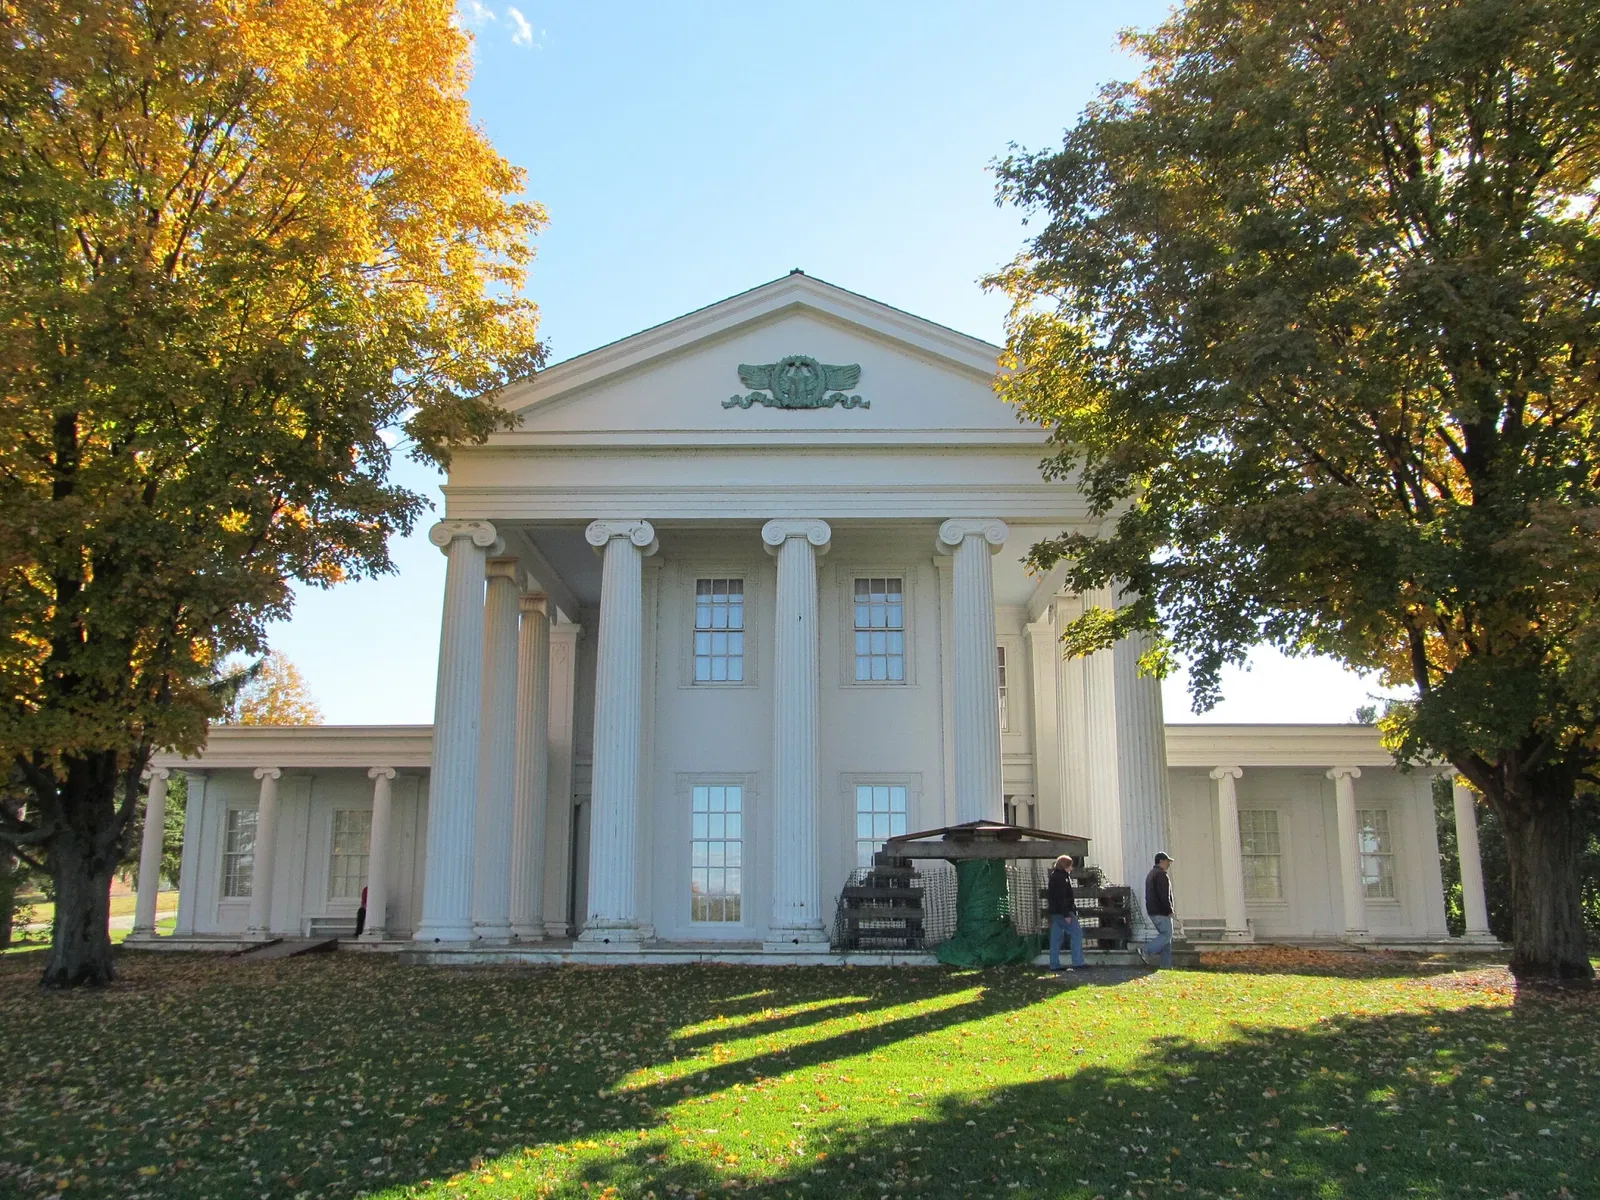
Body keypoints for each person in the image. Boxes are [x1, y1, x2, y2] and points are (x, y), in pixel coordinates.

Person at [1046, 854, 1085, 972]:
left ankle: (1054, 964)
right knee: (1077, 934)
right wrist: (1067, 914)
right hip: (1063, 912)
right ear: (1065, 866)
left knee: (1056, 938)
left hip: (1055, 912)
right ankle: (1077, 962)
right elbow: (1062, 897)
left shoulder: (1054, 876)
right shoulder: (1062, 878)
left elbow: (1055, 897)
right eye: (1070, 865)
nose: (1071, 868)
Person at [1140, 852, 1175, 968]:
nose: (1169, 863)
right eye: (1167, 861)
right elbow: (1163, 895)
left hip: (1153, 910)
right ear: (1161, 861)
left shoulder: (1151, 874)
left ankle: (1166, 966)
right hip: (1161, 911)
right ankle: (1146, 950)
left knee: (1166, 940)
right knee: (1167, 935)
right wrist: (1169, 909)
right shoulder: (1161, 875)